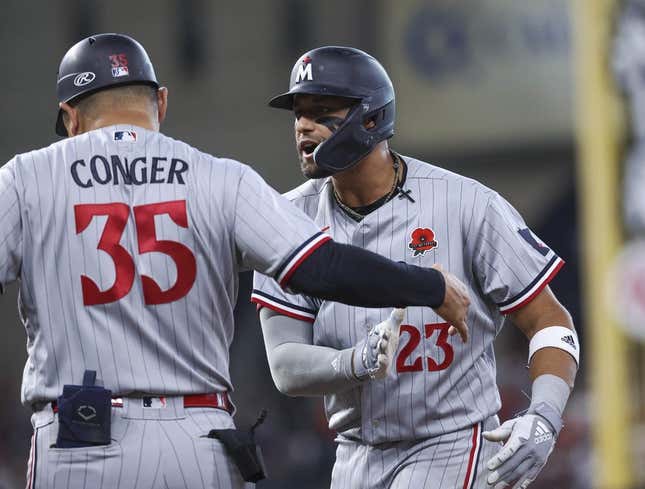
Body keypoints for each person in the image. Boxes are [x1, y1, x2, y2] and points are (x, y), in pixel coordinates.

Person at [5, 35, 472, 489]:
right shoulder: (221, 179)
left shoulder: (25, 180)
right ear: (161, 103)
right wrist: (428, 285)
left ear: (69, 118)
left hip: (80, 438)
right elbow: (321, 267)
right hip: (195, 438)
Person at [252, 46, 580, 489]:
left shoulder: (465, 203)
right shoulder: (287, 218)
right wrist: (355, 361)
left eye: (321, 110)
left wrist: (544, 414)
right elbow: (286, 367)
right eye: (298, 113)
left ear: (371, 119)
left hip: (452, 442)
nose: (302, 126)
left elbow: (550, 319)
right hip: (353, 454)